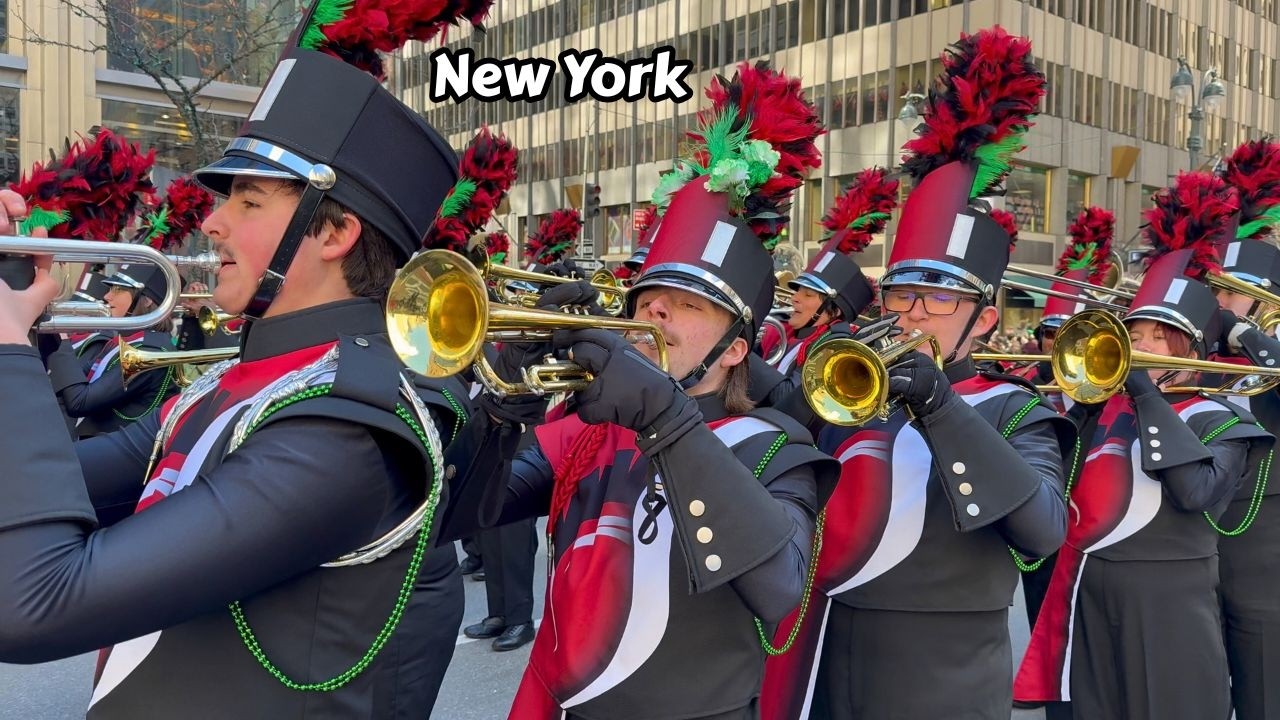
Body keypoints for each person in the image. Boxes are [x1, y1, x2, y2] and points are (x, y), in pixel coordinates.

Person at [0, 0, 490, 716]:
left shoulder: (349, 426)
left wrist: (9, 350)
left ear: (336, 233)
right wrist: (23, 307)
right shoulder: (237, 382)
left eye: (250, 201)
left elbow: (35, 604)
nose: (213, 220)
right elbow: (48, 484)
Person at [444, 60, 833, 720]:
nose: (653, 313)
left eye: (685, 305)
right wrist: (502, 408)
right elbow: (462, 516)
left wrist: (664, 415)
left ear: (735, 347)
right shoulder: (589, 430)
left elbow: (782, 591)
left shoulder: (779, 449)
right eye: (648, 298)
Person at [760, 27, 1071, 720]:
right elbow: (769, 435)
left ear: (983, 321)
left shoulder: (1014, 409)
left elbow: (1044, 528)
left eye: (936, 299)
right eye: (900, 293)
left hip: (942, 679)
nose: (910, 313)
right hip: (822, 649)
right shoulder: (848, 380)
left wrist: (939, 405)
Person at [1016, 171, 1273, 720]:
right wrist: (1086, 405)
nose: (1146, 348)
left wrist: (1141, 389)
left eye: (1162, 338)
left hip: (1172, 605)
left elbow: (1194, 491)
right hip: (1089, 593)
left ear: (1191, 349)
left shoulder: (1224, 417)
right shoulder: (1106, 411)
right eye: (1137, 336)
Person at [1207, 137, 1280, 720]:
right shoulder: (1199, 358)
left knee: (1262, 691)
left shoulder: (1264, 350)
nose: (1220, 305)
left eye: (1233, 294)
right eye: (1215, 292)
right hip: (1194, 551)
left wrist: (1246, 336)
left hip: (1263, 560)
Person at [42, 263, 178, 438]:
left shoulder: (150, 350)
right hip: (100, 442)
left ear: (147, 299)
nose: (107, 296)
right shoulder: (128, 340)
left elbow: (79, 402)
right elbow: (74, 381)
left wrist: (61, 339)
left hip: (122, 453)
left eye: (118, 289)